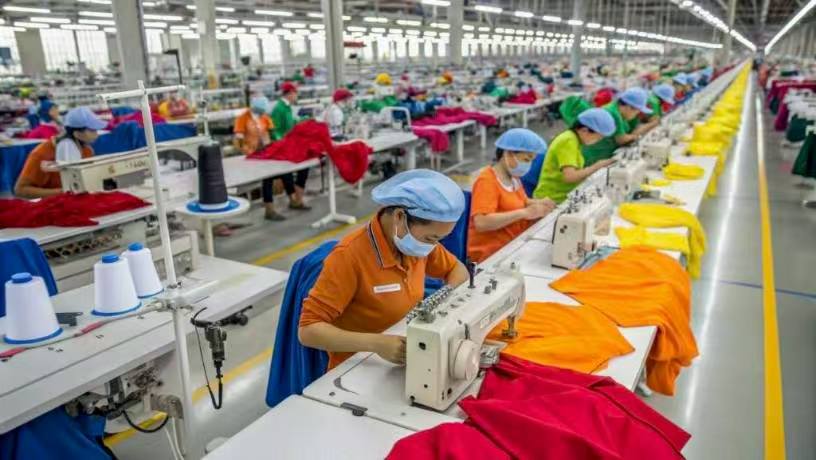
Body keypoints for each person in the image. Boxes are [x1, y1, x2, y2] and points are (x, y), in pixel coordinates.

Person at [298, 170, 470, 369]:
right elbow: (308, 330)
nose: (433, 246)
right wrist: (376, 343)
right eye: (431, 239)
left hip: (403, 353)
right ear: (399, 217)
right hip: (357, 367)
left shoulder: (415, 243)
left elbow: (457, 270)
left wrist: (442, 299)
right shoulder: (349, 257)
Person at [467, 129, 556, 263]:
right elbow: (482, 222)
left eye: (531, 160)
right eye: (526, 159)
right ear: (507, 154)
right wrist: (525, 213)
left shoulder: (513, 178)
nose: (528, 165)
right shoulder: (487, 181)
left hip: (513, 245)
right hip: (490, 256)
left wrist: (538, 203)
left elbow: (521, 201)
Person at [14, 107, 106, 199]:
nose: (97, 135)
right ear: (77, 133)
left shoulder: (87, 150)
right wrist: (63, 192)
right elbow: (21, 190)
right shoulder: (41, 155)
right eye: (92, 130)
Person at [533, 107, 618, 204]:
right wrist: (597, 166)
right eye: (598, 137)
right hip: (551, 199)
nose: (598, 141)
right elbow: (570, 177)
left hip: (560, 195)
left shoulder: (575, 140)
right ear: (584, 130)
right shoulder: (568, 141)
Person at [580, 87, 655, 166]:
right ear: (629, 107)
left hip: (600, 157)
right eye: (637, 111)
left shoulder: (617, 111)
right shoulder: (614, 113)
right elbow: (621, 139)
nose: (637, 114)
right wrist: (635, 136)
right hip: (595, 158)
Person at [269, 81, 311, 217]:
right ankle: (294, 199)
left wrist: (304, 120)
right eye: (296, 93)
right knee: (289, 171)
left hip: (291, 144)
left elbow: (291, 124)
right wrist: (283, 143)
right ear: (290, 93)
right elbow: (274, 130)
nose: (296, 96)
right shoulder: (279, 108)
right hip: (283, 147)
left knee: (306, 165)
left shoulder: (287, 107)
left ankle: (297, 198)